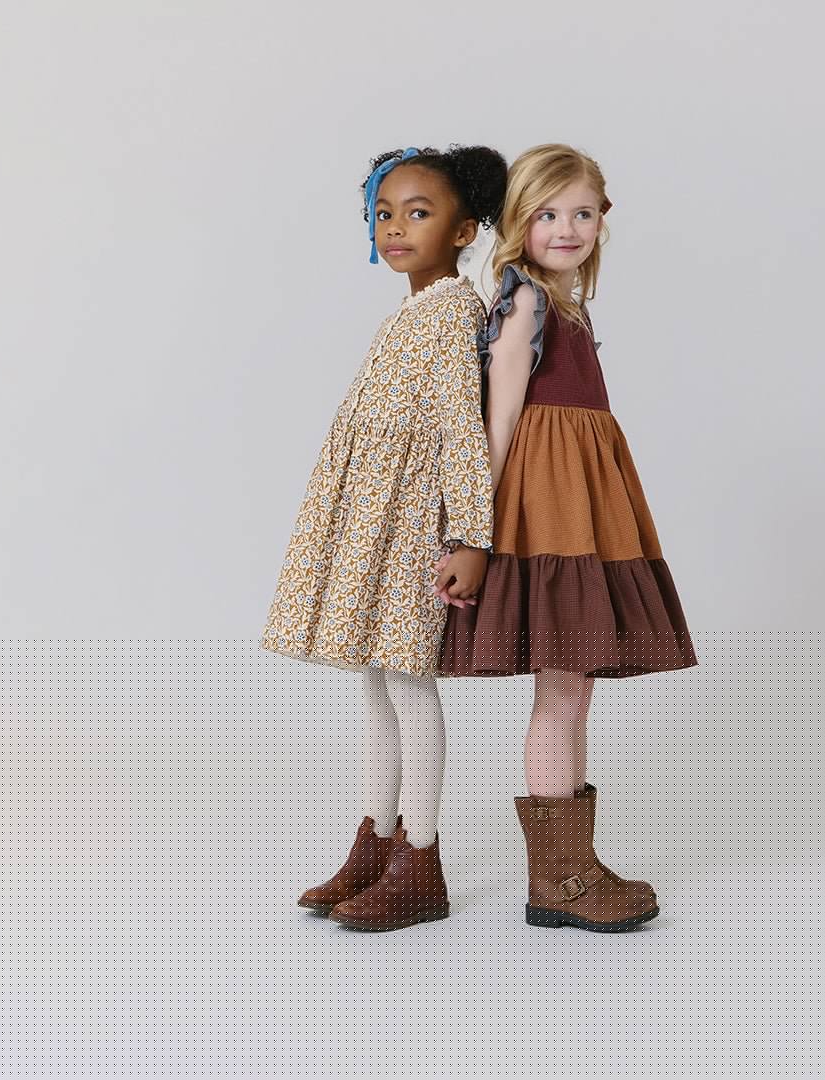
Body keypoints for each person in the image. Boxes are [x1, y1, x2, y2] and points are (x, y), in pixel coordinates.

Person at [438, 143, 698, 932]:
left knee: (575, 686)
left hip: (581, 497)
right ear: (519, 220)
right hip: (546, 506)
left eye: (582, 213)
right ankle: (558, 880)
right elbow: (499, 417)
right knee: (561, 687)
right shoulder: (525, 301)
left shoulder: (568, 304)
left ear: (602, 219)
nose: (567, 228)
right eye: (548, 214)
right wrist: (472, 528)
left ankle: (572, 864)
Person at [262, 144, 508, 930]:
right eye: (384, 213)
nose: (396, 226)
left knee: (406, 680)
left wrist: (470, 536)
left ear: (464, 231)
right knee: (374, 679)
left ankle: (421, 860)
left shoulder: (453, 313)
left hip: (410, 526)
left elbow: (462, 431)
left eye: (419, 213)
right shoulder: (409, 311)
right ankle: (376, 842)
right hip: (373, 517)